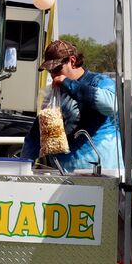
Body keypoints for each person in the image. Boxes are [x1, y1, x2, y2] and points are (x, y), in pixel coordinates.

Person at [21, 39, 122, 173]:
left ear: (72, 61)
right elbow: (36, 134)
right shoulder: (55, 93)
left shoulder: (98, 81)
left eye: (57, 69)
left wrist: (69, 84)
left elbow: (112, 105)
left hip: (103, 173)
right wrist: (22, 167)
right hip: (63, 176)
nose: (53, 75)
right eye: (50, 71)